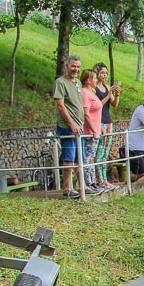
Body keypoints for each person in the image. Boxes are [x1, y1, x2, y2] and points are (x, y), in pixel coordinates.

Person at [53, 55, 85, 199]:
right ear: (67, 66)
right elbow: (60, 104)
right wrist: (71, 123)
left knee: (79, 158)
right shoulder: (60, 82)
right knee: (69, 158)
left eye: (78, 67)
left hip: (79, 126)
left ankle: (82, 186)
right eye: (73, 66)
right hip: (67, 126)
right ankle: (67, 189)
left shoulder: (78, 82)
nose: (76, 69)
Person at [92, 63, 120, 189]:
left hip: (108, 121)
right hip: (99, 122)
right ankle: (98, 179)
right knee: (98, 152)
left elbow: (114, 104)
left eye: (106, 73)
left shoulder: (106, 86)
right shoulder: (93, 88)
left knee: (105, 152)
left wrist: (116, 94)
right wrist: (108, 95)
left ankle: (104, 178)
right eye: (102, 73)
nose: (105, 76)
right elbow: (97, 105)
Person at [79, 69, 104, 195]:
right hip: (89, 132)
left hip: (95, 131)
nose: (96, 80)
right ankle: (88, 183)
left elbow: (96, 113)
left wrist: (99, 128)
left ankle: (93, 182)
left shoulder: (91, 93)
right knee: (87, 158)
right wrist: (94, 130)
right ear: (88, 80)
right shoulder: (85, 93)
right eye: (94, 78)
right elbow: (86, 114)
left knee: (91, 158)